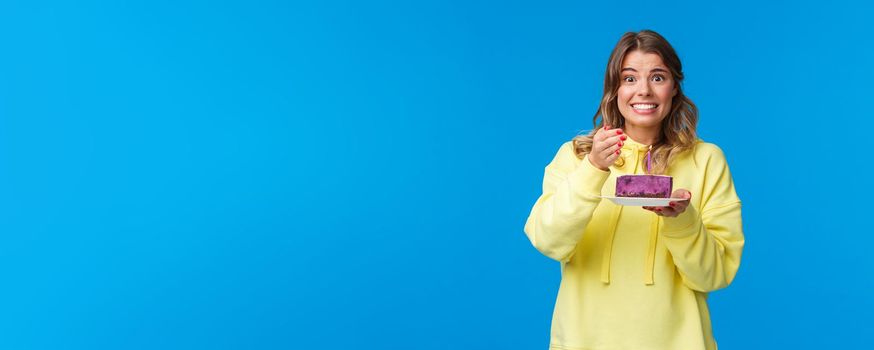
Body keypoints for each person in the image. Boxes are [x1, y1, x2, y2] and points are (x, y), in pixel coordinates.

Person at [523, 30, 744, 350]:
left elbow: (714, 275)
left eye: (657, 77)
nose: (643, 90)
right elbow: (548, 241)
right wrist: (594, 169)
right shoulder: (576, 156)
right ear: (614, 89)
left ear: (674, 88)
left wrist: (682, 220)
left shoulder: (706, 160)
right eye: (629, 79)